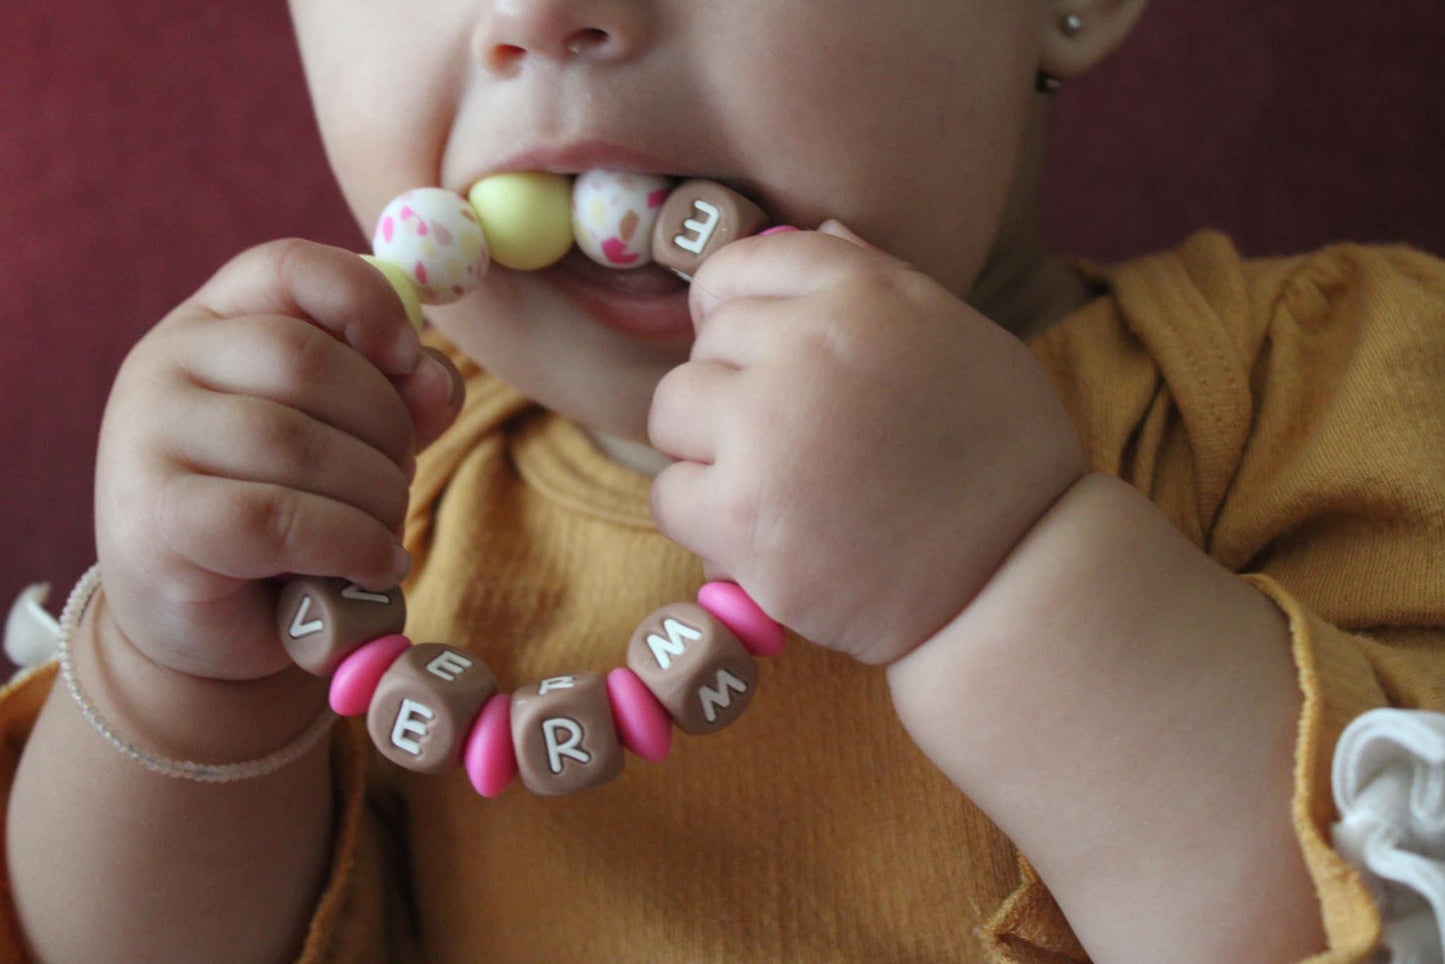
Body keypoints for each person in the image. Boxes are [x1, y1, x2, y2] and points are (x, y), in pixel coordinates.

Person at [3, 1, 1442, 960]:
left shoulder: (1328, 388)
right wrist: (174, 666)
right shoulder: (360, 503)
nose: (543, 12)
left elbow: (1386, 911)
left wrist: (1003, 571)